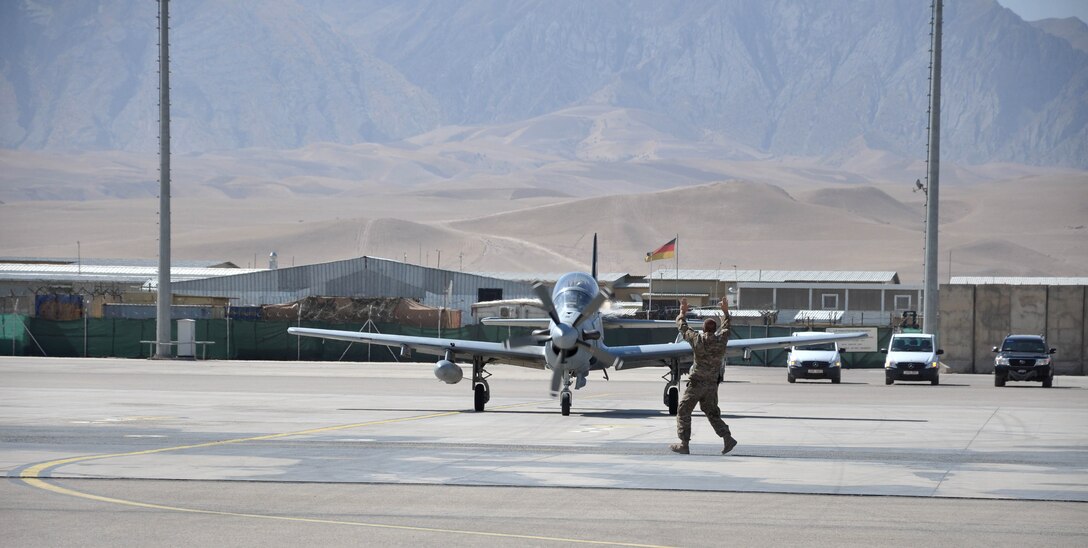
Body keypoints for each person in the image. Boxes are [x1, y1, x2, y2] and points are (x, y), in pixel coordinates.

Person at [670, 296, 738, 455]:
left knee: (683, 410)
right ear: (714, 330)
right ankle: (727, 437)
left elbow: (682, 327)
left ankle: (684, 444)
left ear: (704, 329)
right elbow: (727, 326)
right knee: (712, 412)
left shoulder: (697, 339)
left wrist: (682, 312)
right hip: (711, 385)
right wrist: (725, 312)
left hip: (697, 384)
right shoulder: (721, 340)